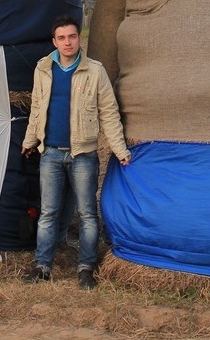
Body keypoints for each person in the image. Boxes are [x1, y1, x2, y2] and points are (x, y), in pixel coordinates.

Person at [21, 15, 131, 289]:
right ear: (54, 42)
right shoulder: (43, 69)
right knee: (48, 213)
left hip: (83, 155)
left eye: (72, 36)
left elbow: (109, 112)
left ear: (79, 38)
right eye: (61, 38)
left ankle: (85, 269)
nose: (67, 42)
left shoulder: (95, 71)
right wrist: (29, 141)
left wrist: (120, 149)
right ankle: (42, 267)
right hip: (50, 154)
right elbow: (37, 108)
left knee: (87, 214)